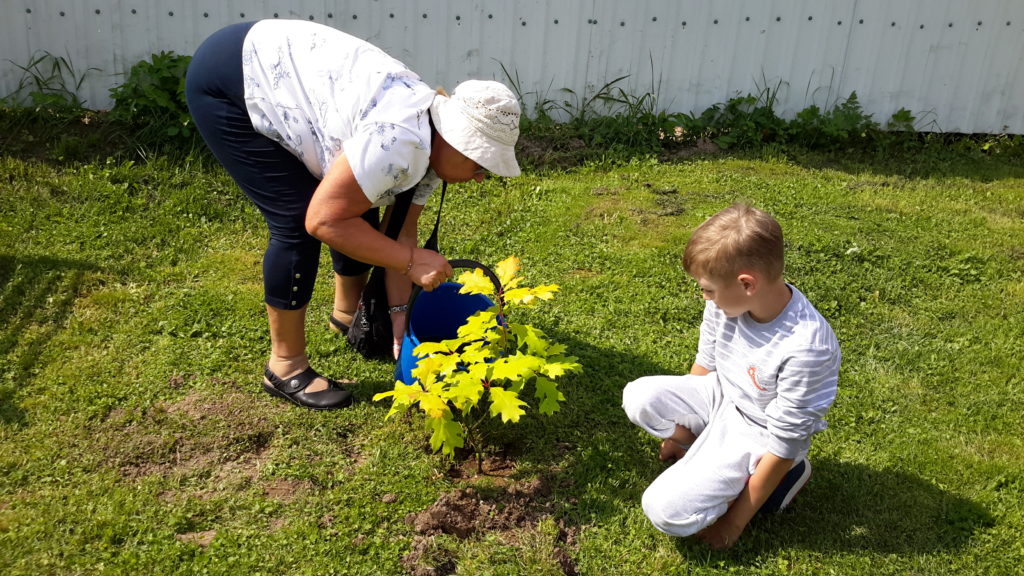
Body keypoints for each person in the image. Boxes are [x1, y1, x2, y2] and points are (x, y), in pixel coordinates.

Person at [185, 19, 522, 410]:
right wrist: (411, 263)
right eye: (481, 163)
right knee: (298, 223)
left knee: (356, 202)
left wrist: (399, 314)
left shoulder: (432, 150)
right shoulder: (398, 141)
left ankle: (348, 314)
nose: (481, 177)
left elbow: (399, 234)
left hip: (271, 64)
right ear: (456, 141)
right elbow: (323, 221)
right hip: (233, 77)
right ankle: (285, 366)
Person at [621, 203, 840, 549]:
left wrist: (733, 524)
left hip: (759, 432)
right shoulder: (725, 304)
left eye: (707, 288)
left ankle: (785, 479)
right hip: (721, 395)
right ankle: (701, 450)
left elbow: (784, 443)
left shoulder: (807, 348)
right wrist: (681, 433)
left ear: (747, 284)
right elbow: (705, 365)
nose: (704, 296)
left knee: (665, 511)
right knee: (638, 397)